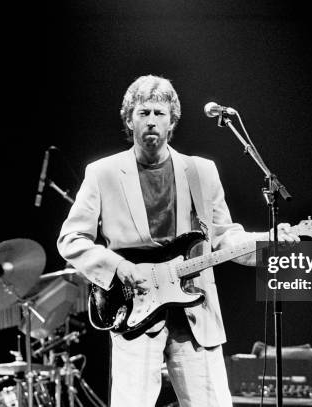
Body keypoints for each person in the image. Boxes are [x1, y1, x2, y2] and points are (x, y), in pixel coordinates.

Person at [57, 75, 299, 407]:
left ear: (172, 121)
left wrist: (266, 241)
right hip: (135, 311)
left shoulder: (202, 171)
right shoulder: (103, 173)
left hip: (197, 312)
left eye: (159, 112)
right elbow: (71, 239)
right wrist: (120, 268)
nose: (152, 120)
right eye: (143, 113)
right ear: (129, 120)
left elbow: (225, 237)